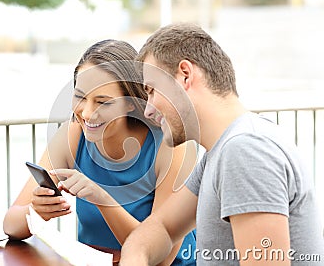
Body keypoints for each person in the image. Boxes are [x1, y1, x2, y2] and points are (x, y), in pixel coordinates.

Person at [120, 23, 324, 265]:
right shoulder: (220, 153)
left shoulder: (245, 151)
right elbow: (161, 227)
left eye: (152, 90)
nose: (149, 109)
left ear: (185, 74)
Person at [3, 39, 198, 265]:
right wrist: (36, 211)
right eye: (80, 97)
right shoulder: (73, 134)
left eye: (102, 102)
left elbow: (160, 260)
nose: (86, 113)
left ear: (130, 103)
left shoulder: (171, 146)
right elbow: (10, 225)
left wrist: (102, 199)